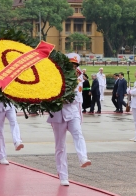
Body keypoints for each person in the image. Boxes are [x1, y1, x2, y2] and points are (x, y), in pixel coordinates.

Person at [47, 53, 91, 186]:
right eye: (70, 65)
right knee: (60, 146)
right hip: (58, 115)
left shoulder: (78, 80)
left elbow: (76, 99)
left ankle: (83, 157)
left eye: (74, 65)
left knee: (78, 133)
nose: (72, 67)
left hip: (72, 113)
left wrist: (63, 97)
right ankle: (63, 176)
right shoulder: (55, 76)